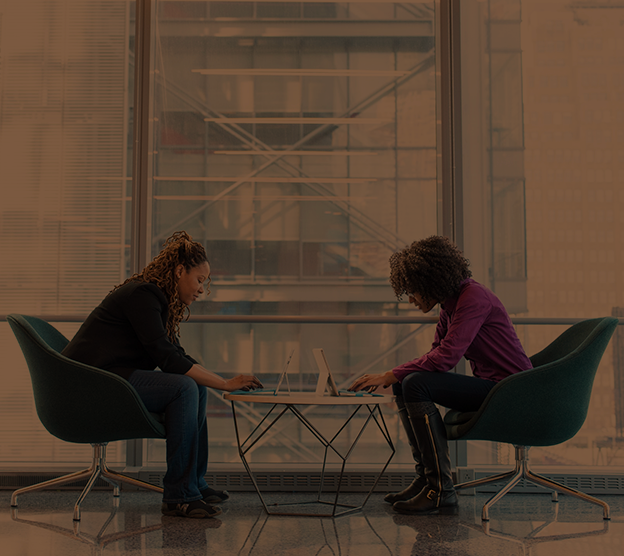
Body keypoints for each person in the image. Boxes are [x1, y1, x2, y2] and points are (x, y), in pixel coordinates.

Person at [62, 231, 263, 519]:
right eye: (200, 280)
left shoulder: (156, 298)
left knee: (194, 385)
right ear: (180, 271)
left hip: (111, 377)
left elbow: (176, 356)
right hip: (90, 383)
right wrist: (223, 384)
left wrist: (221, 381)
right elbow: (167, 360)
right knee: (184, 387)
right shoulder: (143, 295)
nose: (202, 290)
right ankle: (179, 496)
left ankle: (194, 484)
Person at [349, 236, 532, 515]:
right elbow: (436, 352)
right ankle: (426, 480)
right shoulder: (451, 304)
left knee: (414, 382)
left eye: (412, 291)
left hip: (512, 390)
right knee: (406, 383)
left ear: (429, 282)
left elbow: (446, 357)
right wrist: (393, 377)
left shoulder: (474, 298)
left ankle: (440, 489)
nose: (410, 299)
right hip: (495, 387)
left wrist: (389, 373)